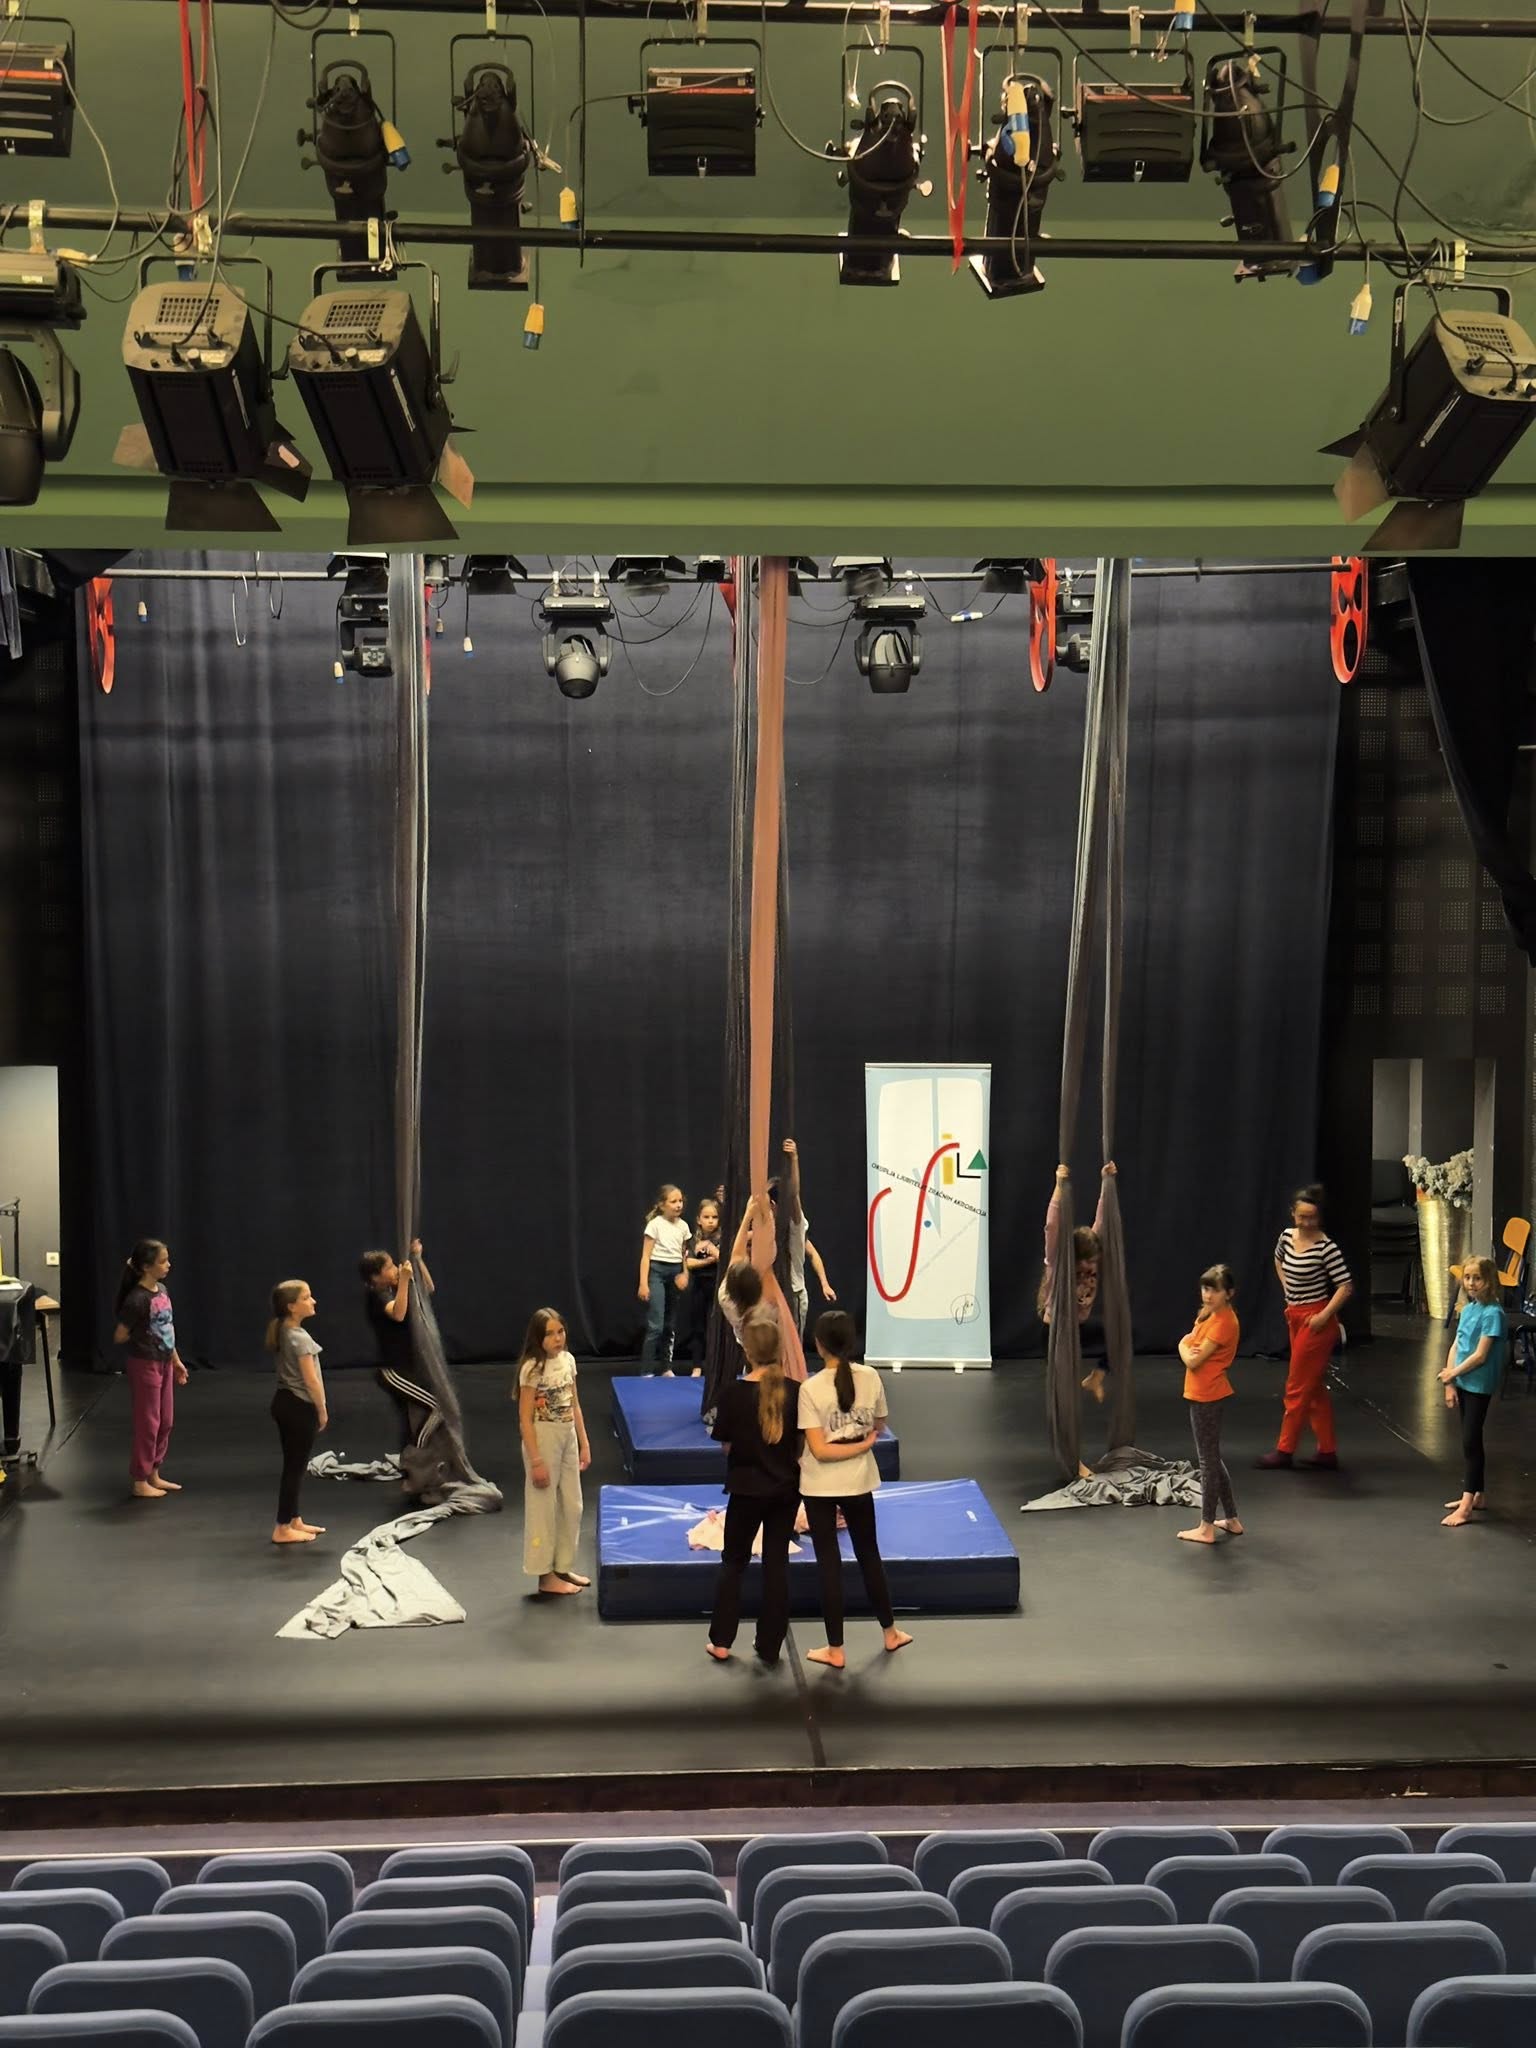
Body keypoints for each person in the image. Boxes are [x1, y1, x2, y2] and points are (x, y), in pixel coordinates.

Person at [798, 1309, 911, 1667]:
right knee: (868, 1555)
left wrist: (853, 1444)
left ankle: (836, 1649)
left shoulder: (811, 1388)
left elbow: (819, 1451)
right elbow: (880, 1421)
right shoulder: (870, 1376)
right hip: (858, 1480)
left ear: (818, 1344)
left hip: (819, 1485)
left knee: (829, 1565)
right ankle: (890, 1632)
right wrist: (862, 1444)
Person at [706, 1307, 800, 1665]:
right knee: (776, 1565)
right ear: (779, 1350)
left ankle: (721, 1641)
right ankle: (770, 1645)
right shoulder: (795, 1392)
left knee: (734, 1563)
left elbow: (726, 1445)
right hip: (784, 1490)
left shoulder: (732, 1393)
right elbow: (799, 1445)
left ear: (747, 1351)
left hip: (746, 1489)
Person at [1258, 1184, 1352, 1470]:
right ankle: (1327, 1451)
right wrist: (1287, 1288)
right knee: (1312, 1387)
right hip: (1295, 1316)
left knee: (1297, 1386)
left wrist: (1324, 1316)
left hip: (1316, 1321)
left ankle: (1284, 1449)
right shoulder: (1287, 1237)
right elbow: (1278, 1260)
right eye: (1302, 1217)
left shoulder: (1326, 1247)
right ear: (1293, 1214)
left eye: (1312, 1217)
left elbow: (1346, 1286)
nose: (1307, 1222)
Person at [1041, 1163, 1115, 1477]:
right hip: (1056, 1329)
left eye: (1093, 1264)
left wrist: (1106, 1183)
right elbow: (1052, 1226)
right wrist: (1059, 1187)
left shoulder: (1094, 1251)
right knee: (1066, 1396)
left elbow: (1103, 1223)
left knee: (1118, 1337)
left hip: (1079, 1326)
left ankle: (1095, 1377)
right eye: (1085, 1265)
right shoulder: (1060, 1260)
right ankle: (1073, 1459)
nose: (1089, 1270)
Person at [516, 1306, 592, 1593]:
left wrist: (584, 1443)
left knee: (573, 1504)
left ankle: (562, 1566)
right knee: (543, 1508)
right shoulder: (532, 1368)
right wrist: (536, 1460)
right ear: (538, 1338)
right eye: (549, 1334)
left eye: (560, 1332)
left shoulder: (568, 1361)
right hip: (544, 1437)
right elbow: (525, 1418)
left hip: (567, 1434)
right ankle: (545, 1576)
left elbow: (575, 1404)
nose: (557, 1338)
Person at [113, 1238, 188, 1500]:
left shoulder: (162, 1291)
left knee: (166, 1420)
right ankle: (140, 1479)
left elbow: (167, 1329)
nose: (168, 1265)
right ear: (146, 1267)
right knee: (148, 1422)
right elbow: (120, 1335)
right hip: (145, 1364)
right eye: (163, 1261)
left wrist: (176, 1360)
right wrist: (141, 1336)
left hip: (164, 1361)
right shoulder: (137, 1300)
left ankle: (154, 1471)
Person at [1438, 1256, 1509, 1527]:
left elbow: (1480, 1355)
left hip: (1479, 1384)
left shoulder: (1493, 1314)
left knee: (1470, 1441)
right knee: (1471, 1440)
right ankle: (1477, 1495)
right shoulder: (1468, 1309)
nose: (1471, 1283)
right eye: (1467, 1277)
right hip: (1463, 1380)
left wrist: (1453, 1373)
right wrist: (1450, 1381)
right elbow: (1456, 1345)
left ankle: (1466, 1506)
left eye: (1477, 1278)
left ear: (1489, 1281)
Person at [1176, 1264, 1244, 1546]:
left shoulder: (1223, 1322)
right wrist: (1188, 1344)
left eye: (1214, 1290)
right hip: (1201, 1392)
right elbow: (1193, 1342)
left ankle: (1206, 1527)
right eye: (1205, 1288)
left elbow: (1193, 1358)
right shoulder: (1209, 1315)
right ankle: (1232, 1519)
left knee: (1207, 1462)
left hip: (1208, 1395)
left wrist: (1181, 1345)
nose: (1207, 1295)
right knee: (1212, 1458)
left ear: (1229, 1293)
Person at [360, 1237, 440, 1451]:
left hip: (408, 1367)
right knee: (436, 1407)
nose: (395, 1268)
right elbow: (398, 1314)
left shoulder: (393, 1288)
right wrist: (404, 1280)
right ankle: (416, 1454)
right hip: (392, 1371)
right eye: (389, 1267)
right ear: (376, 1277)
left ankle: (409, 1457)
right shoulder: (376, 1296)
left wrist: (417, 1259)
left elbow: (428, 1288)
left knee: (410, 1419)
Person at [266, 1279, 328, 1546]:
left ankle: (294, 1519)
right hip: (298, 1406)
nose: (313, 1301)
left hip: (284, 1402)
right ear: (292, 1306)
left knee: (295, 1465)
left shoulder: (284, 1330)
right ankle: (282, 1527)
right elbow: (311, 1380)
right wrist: (322, 1409)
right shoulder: (299, 1338)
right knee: (294, 1468)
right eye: (306, 1297)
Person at [772, 1139, 837, 1336]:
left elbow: (793, 1195)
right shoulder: (766, 1228)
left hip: (793, 1293)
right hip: (772, 1294)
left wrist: (794, 1159)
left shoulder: (795, 1225)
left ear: (774, 1205)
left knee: (792, 1344)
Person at [639, 1184, 690, 1370]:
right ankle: (647, 1370)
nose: (678, 1205)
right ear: (662, 1205)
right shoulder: (655, 1225)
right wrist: (644, 1283)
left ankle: (666, 1367)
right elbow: (646, 1256)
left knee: (670, 1325)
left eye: (680, 1201)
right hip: (657, 1272)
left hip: (675, 1273)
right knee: (656, 1325)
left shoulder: (683, 1226)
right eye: (673, 1201)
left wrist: (685, 1273)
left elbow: (684, 1254)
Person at [673, 1196, 722, 1377]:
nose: (710, 1221)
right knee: (698, 1327)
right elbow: (689, 1263)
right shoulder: (693, 1239)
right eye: (706, 1217)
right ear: (699, 1220)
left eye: (714, 1217)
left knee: (715, 1327)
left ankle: (715, 1364)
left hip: (717, 1287)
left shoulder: (722, 1238)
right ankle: (697, 1366)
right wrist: (709, 1259)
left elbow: (725, 1259)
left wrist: (713, 1250)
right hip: (699, 1287)